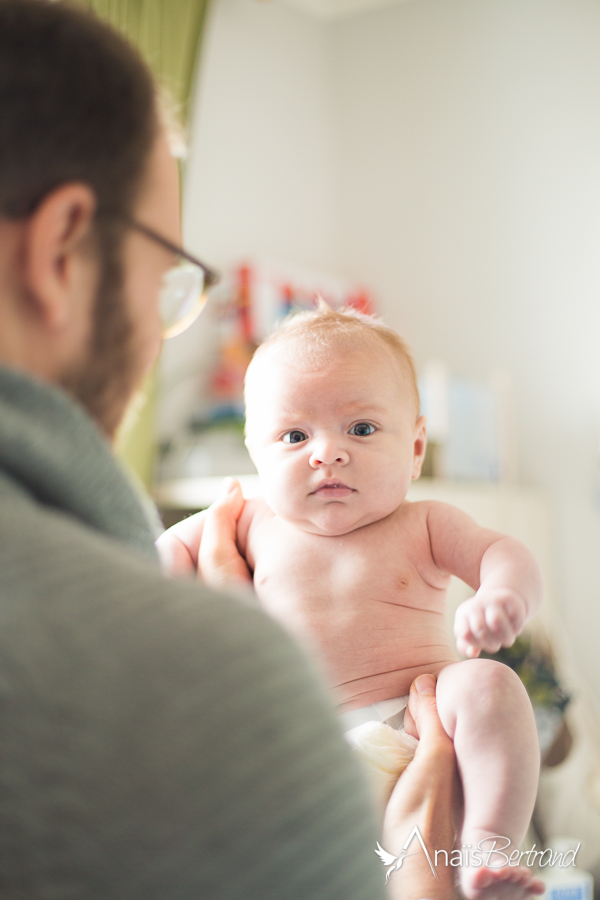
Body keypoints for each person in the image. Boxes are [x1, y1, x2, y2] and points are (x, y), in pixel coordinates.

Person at [0, 1, 458, 897]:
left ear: (413, 442)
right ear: (61, 250)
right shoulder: (211, 701)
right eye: (170, 277)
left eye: (361, 427)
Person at [159, 304, 547, 900]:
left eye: (361, 429)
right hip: (300, 752)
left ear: (416, 447)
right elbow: (151, 563)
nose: (326, 453)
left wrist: (501, 594)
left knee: (490, 687)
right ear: (255, 451)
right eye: (294, 435)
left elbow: (503, 550)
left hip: (422, 729)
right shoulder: (244, 522)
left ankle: (487, 847)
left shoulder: (424, 523)